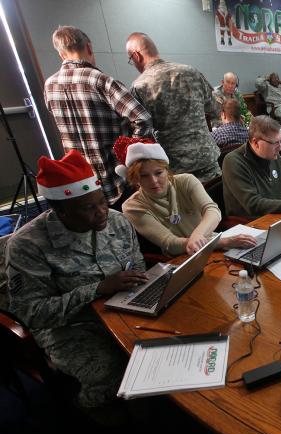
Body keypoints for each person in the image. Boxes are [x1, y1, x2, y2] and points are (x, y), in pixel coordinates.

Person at [6, 150, 148, 410]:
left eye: (102, 201)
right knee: (112, 374)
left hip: (124, 309)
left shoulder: (116, 221)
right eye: (89, 207)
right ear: (61, 211)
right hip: (71, 327)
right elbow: (32, 313)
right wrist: (97, 289)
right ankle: (93, 414)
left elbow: (136, 264)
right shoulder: (28, 245)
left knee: (170, 346)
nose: (102, 211)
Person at [44, 26, 153, 206]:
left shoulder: (49, 85)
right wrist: (130, 154)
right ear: (88, 47)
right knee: (128, 226)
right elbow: (142, 118)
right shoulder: (101, 81)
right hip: (116, 178)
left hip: (82, 181)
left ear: (61, 54)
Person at [116, 137, 255, 256]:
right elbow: (170, 243)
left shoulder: (186, 181)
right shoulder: (132, 206)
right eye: (144, 176)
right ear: (135, 179)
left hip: (213, 244)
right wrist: (224, 242)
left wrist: (197, 236)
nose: (153, 181)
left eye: (158, 173)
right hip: (182, 258)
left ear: (167, 170)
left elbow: (212, 211)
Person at [126, 32, 221, 182]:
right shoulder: (191, 71)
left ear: (136, 56)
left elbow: (142, 132)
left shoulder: (139, 86)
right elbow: (215, 108)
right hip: (208, 160)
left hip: (174, 169)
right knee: (215, 203)